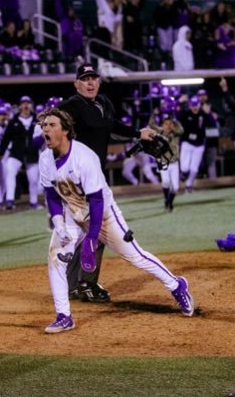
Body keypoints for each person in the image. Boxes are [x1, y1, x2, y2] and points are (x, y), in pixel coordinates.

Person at [38, 107, 194, 333]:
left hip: (103, 214)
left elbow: (97, 200)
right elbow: (51, 195)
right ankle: (64, 316)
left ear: (65, 130)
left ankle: (176, 285)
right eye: (44, 125)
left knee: (135, 256)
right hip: (73, 213)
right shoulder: (45, 158)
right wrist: (60, 224)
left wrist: (91, 239)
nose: (46, 129)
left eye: (51, 125)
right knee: (55, 258)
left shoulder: (84, 157)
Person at [58, 62, 157, 303]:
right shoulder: (72, 105)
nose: (90, 82)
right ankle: (85, 284)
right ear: (77, 84)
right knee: (97, 233)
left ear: (99, 81)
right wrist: (136, 132)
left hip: (94, 178)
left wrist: (137, 134)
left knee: (86, 234)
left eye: (93, 78)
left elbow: (109, 127)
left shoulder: (103, 103)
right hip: (76, 180)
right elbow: (69, 122)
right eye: (85, 78)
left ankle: (75, 285)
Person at [0, 96, 42, 210]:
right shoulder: (14, 121)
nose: (26, 105)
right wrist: (1, 152)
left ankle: (33, 202)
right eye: (23, 103)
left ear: (31, 105)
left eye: (28, 103)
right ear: (19, 106)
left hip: (32, 154)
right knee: (10, 173)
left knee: (33, 180)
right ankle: (9, 201)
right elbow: (6, 138)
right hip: (16, 154)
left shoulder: (37, 121)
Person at [177, 95, 212, 192]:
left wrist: (208, 114)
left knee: (194, 169)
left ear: (199, 105)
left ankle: (188, 185)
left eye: (196, 105)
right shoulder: (185, 113)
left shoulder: (203, 114)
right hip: (187, 142)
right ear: (189, 105)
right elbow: (175, 116)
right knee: (184, 167)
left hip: (199, 144)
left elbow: (212, 123)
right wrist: (179, 102)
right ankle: (183, 174)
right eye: (192, 105)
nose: (194, 107)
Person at [149, 115, 184, 212]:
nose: (168, 126)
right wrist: (154, 114)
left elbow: (181, 130)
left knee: (175, 187)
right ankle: (166, 200)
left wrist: (176, 122)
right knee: (166, 182)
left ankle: (169, 202)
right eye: (166, 124)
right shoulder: (159, 133)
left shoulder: (175, 133)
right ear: (162, 125)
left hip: (174, 163)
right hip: (163, 162)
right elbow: (151, 125)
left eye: (170, 124)